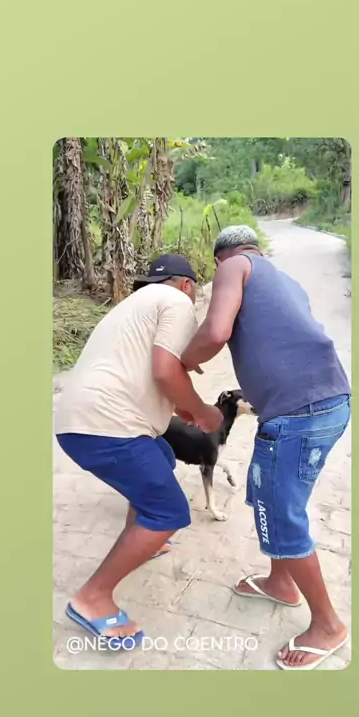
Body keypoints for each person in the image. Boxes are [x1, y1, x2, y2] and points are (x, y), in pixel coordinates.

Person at [182, 225, 351, 670]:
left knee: (281, 513)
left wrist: (184, 360)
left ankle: (328, 625)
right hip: (322, 404)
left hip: (300, 413)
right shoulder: (284, 279)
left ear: (220, 258)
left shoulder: (234, 265)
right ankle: (281, 582)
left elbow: (216, 331)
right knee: (268, 493)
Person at [55, 254, 222, 649]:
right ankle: (93, 599)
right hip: (106, 425)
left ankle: (143, 538)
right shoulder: (177, 301)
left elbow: (146, 372)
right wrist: (203, 411)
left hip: (82, 417)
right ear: (187, 285)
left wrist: (178, 406)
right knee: (170, 512)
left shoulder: (133, 306)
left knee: (162, 456)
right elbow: (166, 370)